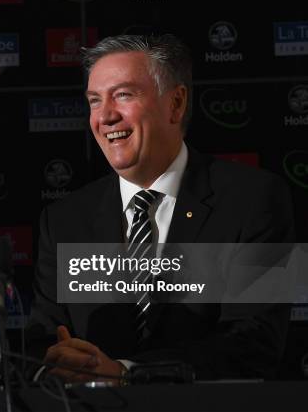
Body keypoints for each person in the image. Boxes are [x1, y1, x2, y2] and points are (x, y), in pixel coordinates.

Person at [27, 34, 295, 383]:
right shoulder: (64, 221)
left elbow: (256, 341)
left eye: (123, 95)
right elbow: (43, 340)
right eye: (94, 100)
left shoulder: (254, 200)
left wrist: (128, 372)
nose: (105, 116)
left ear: (176, 103)